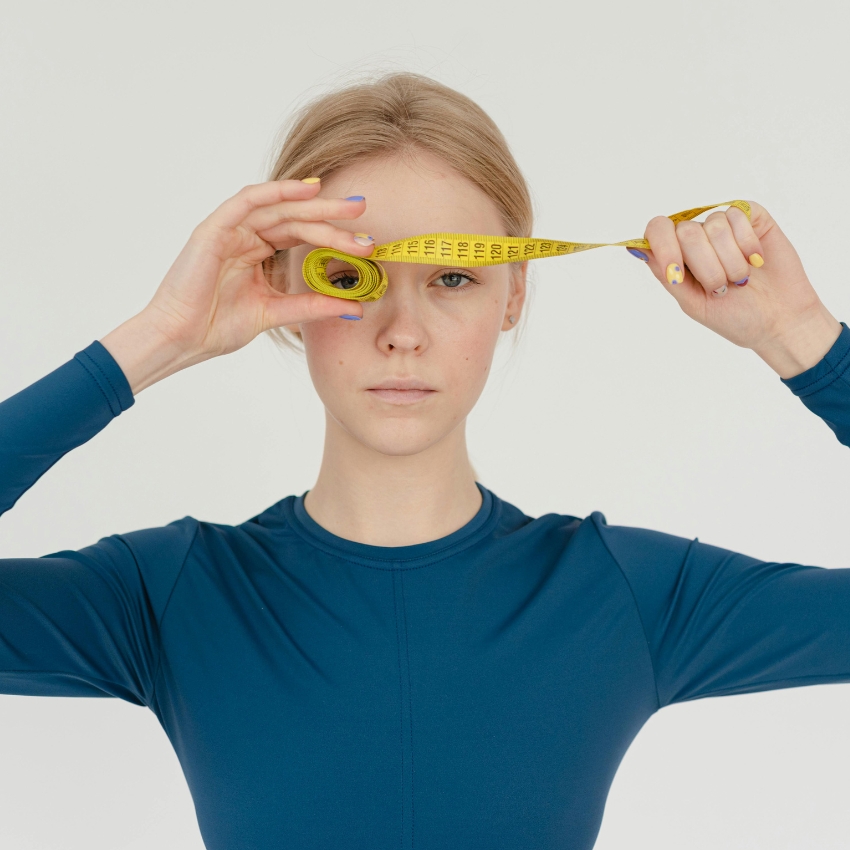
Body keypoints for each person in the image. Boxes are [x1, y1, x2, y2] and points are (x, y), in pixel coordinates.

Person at [0, 71, 848, 850]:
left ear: (513, 294)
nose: (402, 331)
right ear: (280, 296)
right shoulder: (177, 596)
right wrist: (157, 338)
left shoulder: (617, 593)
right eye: (352, 278)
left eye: (452, 279)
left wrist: (801, 337)